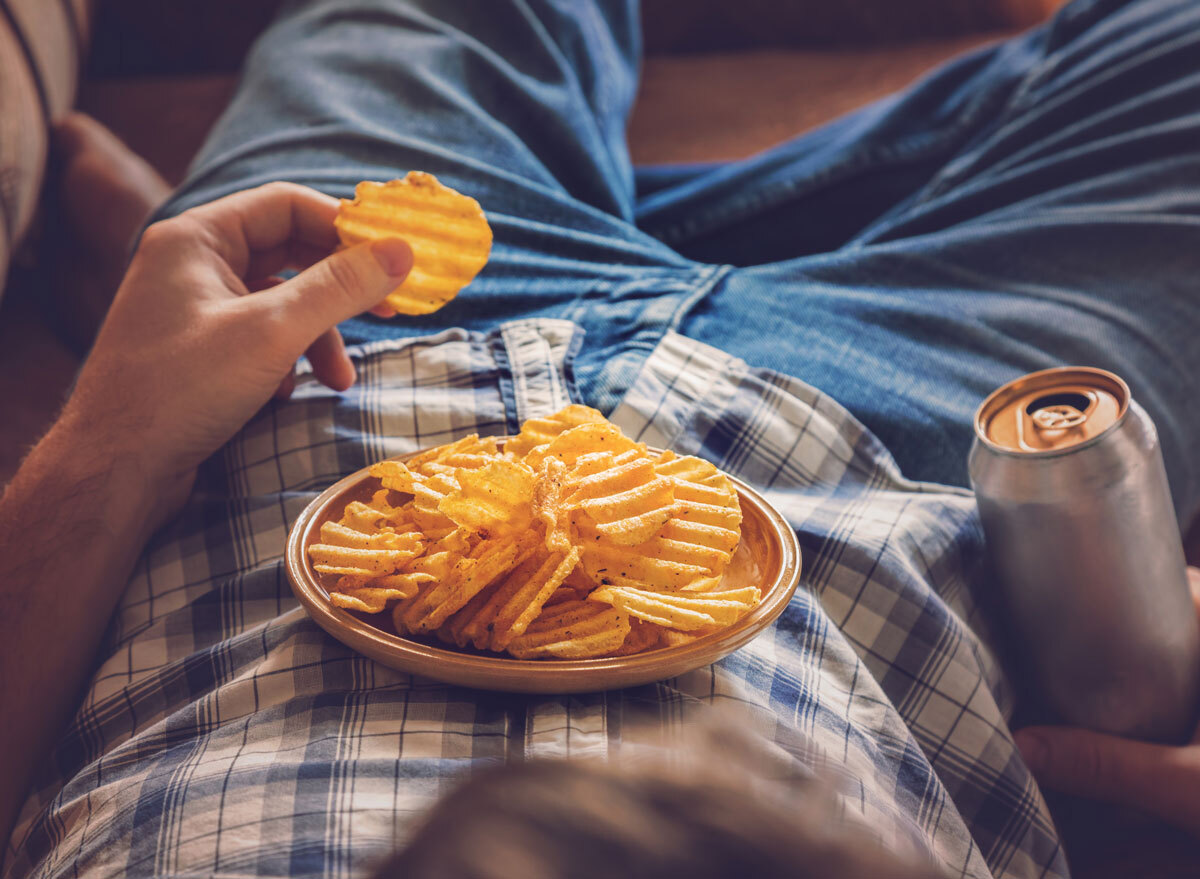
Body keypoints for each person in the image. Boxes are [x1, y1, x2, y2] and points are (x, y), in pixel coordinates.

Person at [3, 0, 1200, 875]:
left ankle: (160, 256)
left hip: (323, 378)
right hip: (888, 471)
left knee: (393, 29)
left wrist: (114, 437)